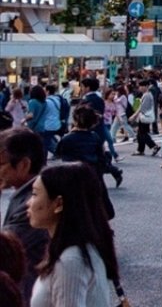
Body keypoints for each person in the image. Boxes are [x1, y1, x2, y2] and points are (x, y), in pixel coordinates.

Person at [26, 163, 123, 307]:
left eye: (34, 194)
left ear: (58, 204)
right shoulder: (78, 249)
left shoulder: (70, 261)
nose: (28, 203)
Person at [0, 127, 48, 302]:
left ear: (23, 165)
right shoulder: (29, 193)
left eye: (0, 164)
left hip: (30, 293)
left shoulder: (34, 203)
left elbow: (5, 250)